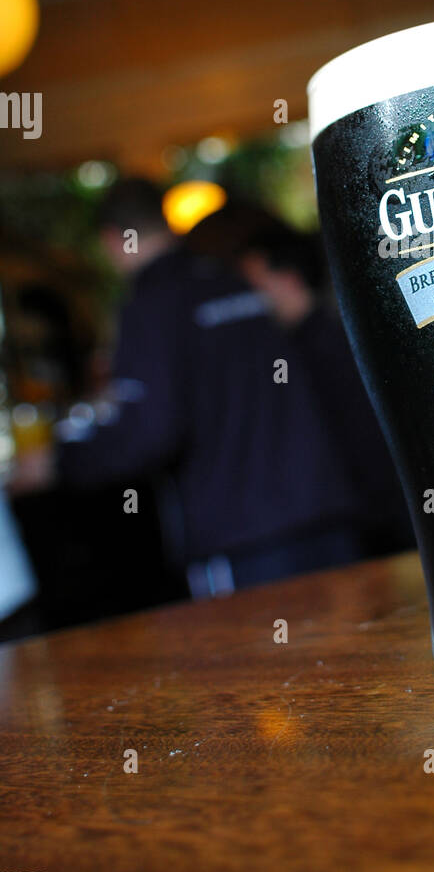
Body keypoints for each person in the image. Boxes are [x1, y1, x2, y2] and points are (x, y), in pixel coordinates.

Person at [10, 180, 412, 596]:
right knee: (350, 652)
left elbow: (151, 431)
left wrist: (59, 462)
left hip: (243, 536)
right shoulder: (231, 281)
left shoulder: (149, 306)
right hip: (323, 512)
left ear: (112, 240)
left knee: (259, 661)